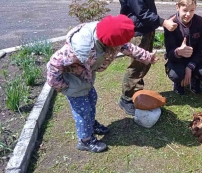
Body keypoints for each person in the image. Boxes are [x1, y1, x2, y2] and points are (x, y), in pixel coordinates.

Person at [46, 15, 159, 153]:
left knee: (92, 99)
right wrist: (59, 84)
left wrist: (147, 56)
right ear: (110, 43)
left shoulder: (107, 37)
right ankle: (85, 140)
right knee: (83, 111)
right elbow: (54, 63)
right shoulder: (80, 48)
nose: (123, 45)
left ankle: (91, 125)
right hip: (72, 82)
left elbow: (127, 47)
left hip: (84, 77)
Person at [108, 0, 178, 116]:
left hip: (145, 27)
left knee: (143, 63)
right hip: (137, 29)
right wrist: (162, 21)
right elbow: (141, 11)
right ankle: (126, 98)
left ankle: (136, 92)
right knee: (137, 64)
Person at [164, 0, 202, 96]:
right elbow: (169, 52)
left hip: (196, 59)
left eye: (192, 10)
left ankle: (195, 77)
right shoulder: (170, 23)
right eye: (185, 10)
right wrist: (178, 52)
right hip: (178, 61)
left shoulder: (201, 22)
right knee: (176, 75)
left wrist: (190, 66)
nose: (188, 14)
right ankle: (178, 82)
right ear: (177, 7)